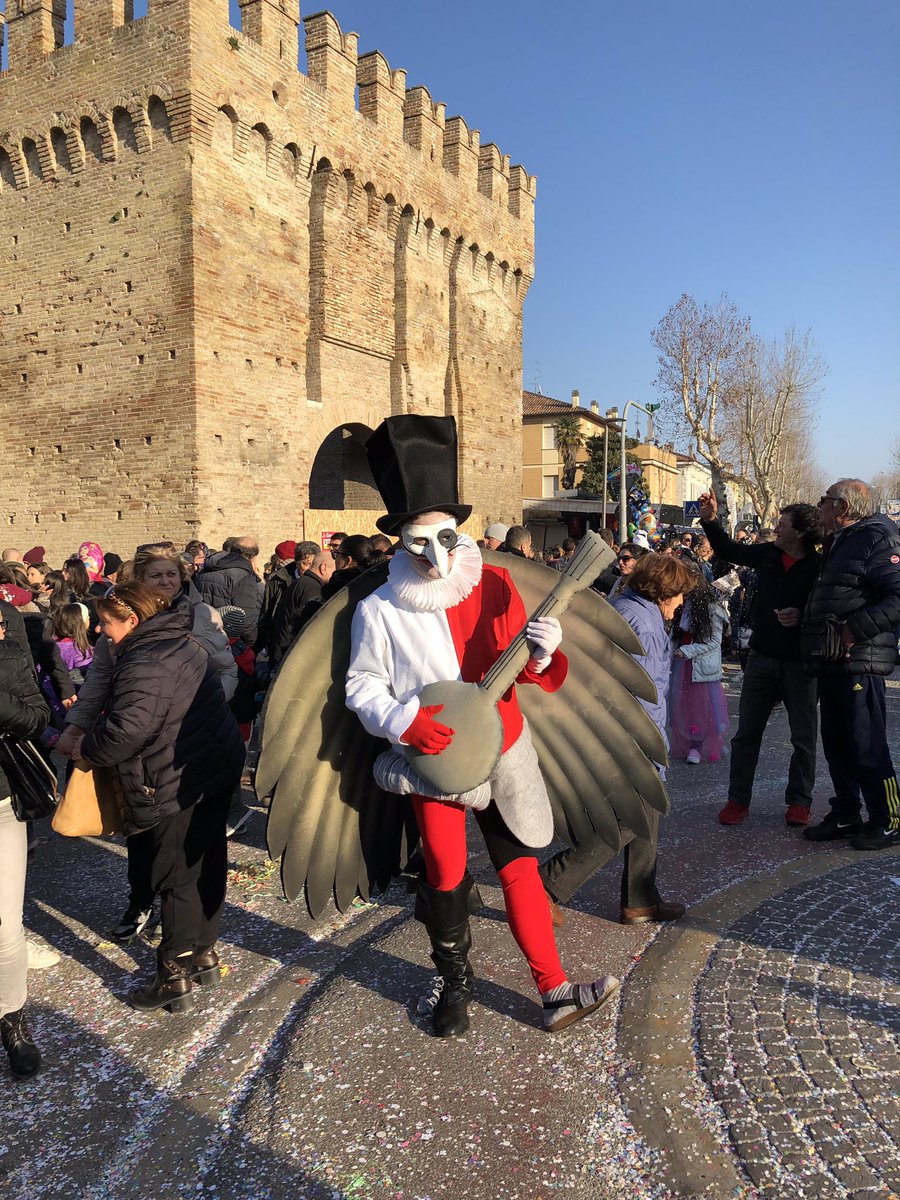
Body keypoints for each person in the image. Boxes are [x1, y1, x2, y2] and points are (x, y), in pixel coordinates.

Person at [345, 415, 619, 1036]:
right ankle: (454, 984)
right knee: (444, 873)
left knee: (520, 865)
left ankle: (553, 989)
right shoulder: (379, 608)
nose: (432, 556)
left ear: (459, 530)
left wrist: (545, 652)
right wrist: (404, 722)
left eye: (441, 537)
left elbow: (526, 672)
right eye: (416, 542)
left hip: (506, 744)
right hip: (434, 755)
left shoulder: (495, 584)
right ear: (398, 542)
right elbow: (362, 685)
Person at [71, 582, 244, 1013]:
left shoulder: (146, 660)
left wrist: (85, 747)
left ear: (132, 620)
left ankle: (174, 974)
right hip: (208, 769)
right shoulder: (181, 641)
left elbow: (128, 731)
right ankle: (203, 952)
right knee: (206, 862)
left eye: (106, 624)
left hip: (172, 778)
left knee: (177, 876)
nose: (99, 633)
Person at [56, 546, 238, 935]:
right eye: (157, 576)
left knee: (187, 849)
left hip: (188, 742)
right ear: (140, 581)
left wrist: (199, 714)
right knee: (140, 833)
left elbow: (223, 669)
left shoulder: (199, 616)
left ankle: (186, 935)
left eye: (172, 575)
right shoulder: (118, 624)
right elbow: (99, 682)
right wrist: (76, 727)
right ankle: (141, 903)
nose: (166, 582)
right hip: (140, 745)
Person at [540, 554, 695, 927]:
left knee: (648, 810)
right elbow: (632, 689)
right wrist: (646, 740)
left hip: (635, 731)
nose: (682, 603)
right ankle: (546, 884)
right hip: (630, 735)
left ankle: (641, 899)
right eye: (679, 596)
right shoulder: (639, 620)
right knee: (632, 815)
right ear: (664, 592)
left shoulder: (639, 613)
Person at [699, 491, 821, 826]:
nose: (775, 529)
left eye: (782, 525)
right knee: (746, 735)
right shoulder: (768, 554)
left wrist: (803, 616)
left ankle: (799, 802)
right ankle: (737, 800)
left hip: (800, 664)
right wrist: (710, 520)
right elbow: (728, 550)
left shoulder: (819, 565)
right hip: (762, 658)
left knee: (803, 738)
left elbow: (831, 606)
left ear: (800, 533)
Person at [801, 479, 900, 850]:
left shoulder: (877, 537)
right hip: (833, 659)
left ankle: (889, 818)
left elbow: (896, 597)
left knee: (867, 743)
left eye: (824, 500)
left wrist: (851, 632)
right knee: (838, 743)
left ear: (842, 507)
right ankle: (846, 812)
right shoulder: (840, 541)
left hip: (860, 659)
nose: (819, 505)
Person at [0, 609, 51, 1078]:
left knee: (5, 926)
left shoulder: (9, 654)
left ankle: (12, 1021)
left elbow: (38, 717)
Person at [669, 569, 731, 764]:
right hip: (684, 665)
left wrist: (688, 650)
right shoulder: (683, 605)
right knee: (683, 705)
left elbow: (714, 641)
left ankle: (698, 745)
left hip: (701, 666)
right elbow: (677, 634)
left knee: (701, 707)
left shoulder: (711, 609)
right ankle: (689, 742)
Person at [268, 550, 336, 666]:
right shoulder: (312, 588)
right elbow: (308, 628)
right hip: (290, 656)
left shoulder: (301, 583)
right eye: (334, 571)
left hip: (282, 650)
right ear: (324, 568)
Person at [197, 537, 263, 648]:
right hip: (231, 643)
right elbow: (246, 619)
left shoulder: (205, 570)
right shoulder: (243, 576)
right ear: (253, 557)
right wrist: (253, 647)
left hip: (203, 639)